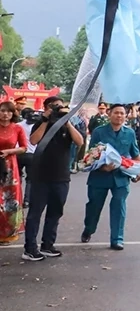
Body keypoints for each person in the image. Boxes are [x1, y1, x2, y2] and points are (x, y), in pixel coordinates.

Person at [23, 97, 84, 261]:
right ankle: (30, 248)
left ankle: (47, 245)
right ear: (46, 107)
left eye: (60, 106)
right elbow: (34, 140)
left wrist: (67, 121)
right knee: (35, 214)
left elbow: (80, 142)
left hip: (61, 177)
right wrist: (45, 119)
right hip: (40, 176)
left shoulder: (67, 125)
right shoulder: (41, 122)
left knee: (55, 213)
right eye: (54, 106)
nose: (57, 109)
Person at [82, 103, 140, 250]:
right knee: (94, 207)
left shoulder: (129, 133)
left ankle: (117, 239)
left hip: (121, 177)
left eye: (122, 113)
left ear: (126, 116)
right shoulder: (99, 132)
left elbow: (135, 153)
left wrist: (138, 169)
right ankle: (89, 229)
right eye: (116, 113)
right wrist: (103, 167)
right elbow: (92, 155)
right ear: (109, 114)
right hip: (100, 176)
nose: (119, 116)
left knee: (119, 207)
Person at [0, 100, 29, 244]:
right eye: (3, 110)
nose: (5, 114)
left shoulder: (17, 128)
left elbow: (24, 147)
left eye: (9, 111)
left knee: (10, 200)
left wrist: (9, 151)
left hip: (10, 167)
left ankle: (8, 233)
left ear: (13, 113)